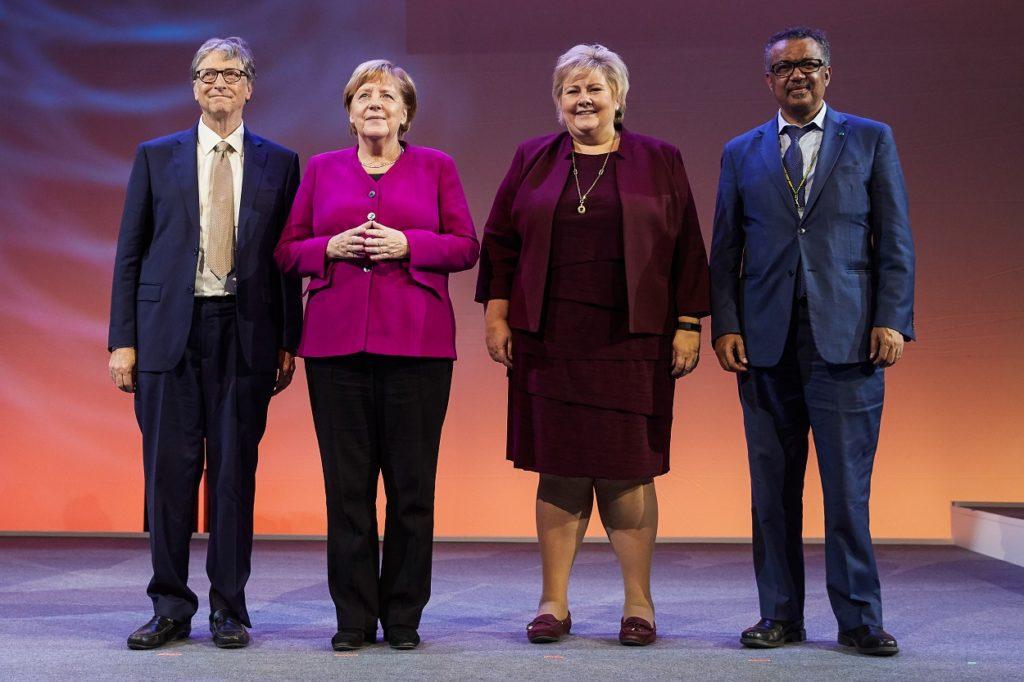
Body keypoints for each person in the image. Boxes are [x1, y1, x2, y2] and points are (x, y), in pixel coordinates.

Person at [476, 44, 710, 647]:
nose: (583, 100)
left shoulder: (660, 159)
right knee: (559, 470)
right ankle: (553, 602)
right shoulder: (532, 158)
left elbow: (687, 246)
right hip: (549, 337)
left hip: (634, 338)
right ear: (558, 102)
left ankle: (640, 605)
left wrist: (689, 322)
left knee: (628, 470)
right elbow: (500, 241)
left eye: (595, 89)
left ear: (619, 98)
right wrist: (497, 317)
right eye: (571, 90)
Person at [709, 26, 915, 656]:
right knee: (771, 490)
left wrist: (892, 318)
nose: (797, 74)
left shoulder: (871, 138)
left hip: (849, 340)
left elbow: (895, 240)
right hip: (767, 345)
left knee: (847, 491)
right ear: (767, 80)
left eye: (809, 64)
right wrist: (727, 324)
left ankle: (857, 619)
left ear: (828, 72)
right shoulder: (741, 151)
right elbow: (725, 252)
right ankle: (779, 615)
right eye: (784, 68)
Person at [274, 59, 479, 651]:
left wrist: (409, 243)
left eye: (387, 96)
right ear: (348, 111)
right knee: (347, 489)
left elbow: (466, 246)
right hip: (336, 348)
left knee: (412, 490)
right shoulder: (321, 169)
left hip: (417, 347)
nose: (375, 104)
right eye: (363, 95)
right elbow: (287, 250)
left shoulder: (437, 167)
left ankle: (405, 616)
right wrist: (328, 246)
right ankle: (354, 618)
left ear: (406, 112)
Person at [108, 37, 302, 650]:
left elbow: (287, 262)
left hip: (244, 335)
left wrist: (288, 340)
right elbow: (130, 255)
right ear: (194, 87)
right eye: (207, 74)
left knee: (233, 475)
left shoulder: (280, 161)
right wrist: (122, 341)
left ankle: (228, 608)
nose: (218, 82)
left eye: (231, 73)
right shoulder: (155, 156)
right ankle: (170, 605)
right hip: (168, 332)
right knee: (168, 474)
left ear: (250, 86)